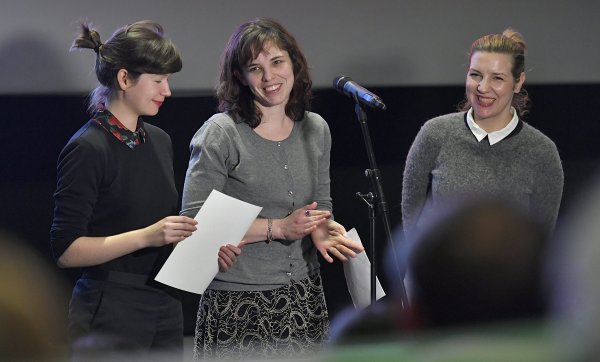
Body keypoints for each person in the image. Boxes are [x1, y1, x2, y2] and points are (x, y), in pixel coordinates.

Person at [181, 18, 363, 360]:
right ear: (240, 76)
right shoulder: (221, 133)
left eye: (277, 62)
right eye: (255, 68)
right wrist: (277, 228)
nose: (269, 78)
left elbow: (320, 202)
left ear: (294, 63)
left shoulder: (315, 128)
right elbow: (194, 222)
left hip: (304, 296)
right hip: (239, 302)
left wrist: (322, 229)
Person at [49, 20, 212, 358]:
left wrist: (207, 248)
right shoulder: (88, 148)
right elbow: (66, 249)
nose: (166, 91)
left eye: (167, 80)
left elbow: (164, 228)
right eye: (158, 80)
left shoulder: (160, 141)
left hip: (165, 302)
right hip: (110, 307)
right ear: (124, 79)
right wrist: (146, 236)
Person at [401, 28, 564, 242]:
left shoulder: (542, 152)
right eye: (475, 74)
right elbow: (410, 219)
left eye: (497, 78)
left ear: (518, 82)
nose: (482, 87)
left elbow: (539, 241)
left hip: (506, 275)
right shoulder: (435, 133)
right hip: (435, 273)